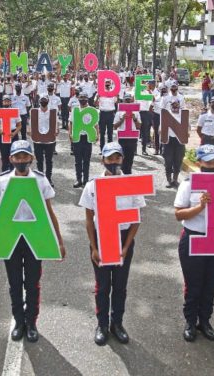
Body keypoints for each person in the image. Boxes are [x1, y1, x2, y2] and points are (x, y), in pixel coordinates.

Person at [0, 140, 66, 343]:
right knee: (15, 283)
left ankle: (32, 322)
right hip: (10, 239)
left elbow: (49, 212)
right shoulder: (2, 181)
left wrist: (59, 241)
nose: (21, 160)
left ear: (31, 158)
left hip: (35, 239)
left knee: (33, 283)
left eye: (25, 157)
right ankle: (19, 321)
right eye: (17, 157)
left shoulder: (40, 180)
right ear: (11, 159)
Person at [80, 142, 145, 345]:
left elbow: (136, 219)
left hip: (124, 239)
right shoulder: (92, 185)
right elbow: (89, 219)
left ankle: (117, 324)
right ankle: (102, 325)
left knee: (120, 285)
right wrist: (94, 247)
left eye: (117, 158)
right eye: (110, 158)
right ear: (103, 160)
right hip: (102, 238)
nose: (114, 162)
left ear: (122, 159)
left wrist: (126, 247)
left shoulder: (132, 184)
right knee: (102, 286)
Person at [174, 144, 214, 342]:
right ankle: (190, 322)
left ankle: (205, 322)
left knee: (210, 285)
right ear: (198, 163)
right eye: (208, 162)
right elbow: (178, 214)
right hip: (194, 239)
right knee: (194, 285)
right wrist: (200, 206)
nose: (212, 165)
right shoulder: (188, 184)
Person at [70, 92, 99, 188]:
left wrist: (97, 135)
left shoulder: (92, 110)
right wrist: (70, 133)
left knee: (86, 160)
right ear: (78, 99)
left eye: (84, 98)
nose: (82, 99)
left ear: (87, 99)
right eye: (81, 98)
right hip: (77, 137)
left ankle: (86, 180)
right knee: (77, 160)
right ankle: (78, 180)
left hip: (87, 138)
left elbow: (96, 124)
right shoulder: (75, 110)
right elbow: (71, 123)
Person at [30, 95, 58, 185]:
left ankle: (49, 179)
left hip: (50, 141)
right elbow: (31, 124)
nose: (43, 102)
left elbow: (56, 123)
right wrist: (29, 131)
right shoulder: (34, 112)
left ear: (48, 101)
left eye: (45, 101)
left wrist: (57, 130)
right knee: (39, 161)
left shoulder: (53, 112)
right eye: (42, 101)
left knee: (49, 160)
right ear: (39, 102)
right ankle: (40, 178)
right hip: (37, 141)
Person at [113, 93, 141, 174]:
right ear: (123, 100)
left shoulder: (136, 112)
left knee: (130, 158)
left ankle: (128, 174)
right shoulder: (119, 113)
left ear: (131, 100)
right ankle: (122, 174)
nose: (128, 101)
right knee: (122, 157)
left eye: (129, 99)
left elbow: (139, 126)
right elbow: (114, 126)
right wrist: (122, 119)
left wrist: (135, 119)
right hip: (122, 138)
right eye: (126, 100)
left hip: (132, 138)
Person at [162, 98, 186, 188]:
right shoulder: (166, 115)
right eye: (173, 105)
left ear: (179, 105)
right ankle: (168, 180)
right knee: (168, 161)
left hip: (179, 141)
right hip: (168, 141)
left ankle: (175, 179)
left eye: (176, 104)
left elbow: (188, 127)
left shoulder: (183, 115)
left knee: (178, 161)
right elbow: (161, 128)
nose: (174, 106)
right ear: (170, 105)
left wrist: (187, 132)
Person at [0, 95, 21, 172]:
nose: (6, 102)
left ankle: (13, 175)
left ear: (10, 102)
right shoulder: (0, 112)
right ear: (2, 102)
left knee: (14, 156)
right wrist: (0, 131)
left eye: (8, 101)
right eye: (4, 101)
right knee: (4, 157)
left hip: (13, 135)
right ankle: (4, 175)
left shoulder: (15, 111)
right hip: (3, 135)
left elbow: (19, 126)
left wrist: (14, 133)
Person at [95, 81, 118, 152]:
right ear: (104, 84)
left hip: (111, 114)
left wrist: (115, 94)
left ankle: (110, 150)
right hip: (102, 114)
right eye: (106, 83)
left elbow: (116, 102)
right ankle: (102, 150)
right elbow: (95, 103)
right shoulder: (100, 92)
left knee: (110, 133)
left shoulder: (113, 93)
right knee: (102, 133)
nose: (107, 84)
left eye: (108, 83)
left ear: (110, 84)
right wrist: (97, 97)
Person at [139, 80, 156, 156]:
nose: (145, 85)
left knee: (145, 132)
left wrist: (149, 92)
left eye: (146, 84)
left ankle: (144, 149)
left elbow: (153, 101)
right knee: (136, 131)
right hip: (138, 113)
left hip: (145, 113)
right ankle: (135, 150)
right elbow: (133, 101)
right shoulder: (137, 92)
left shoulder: (149, 92)